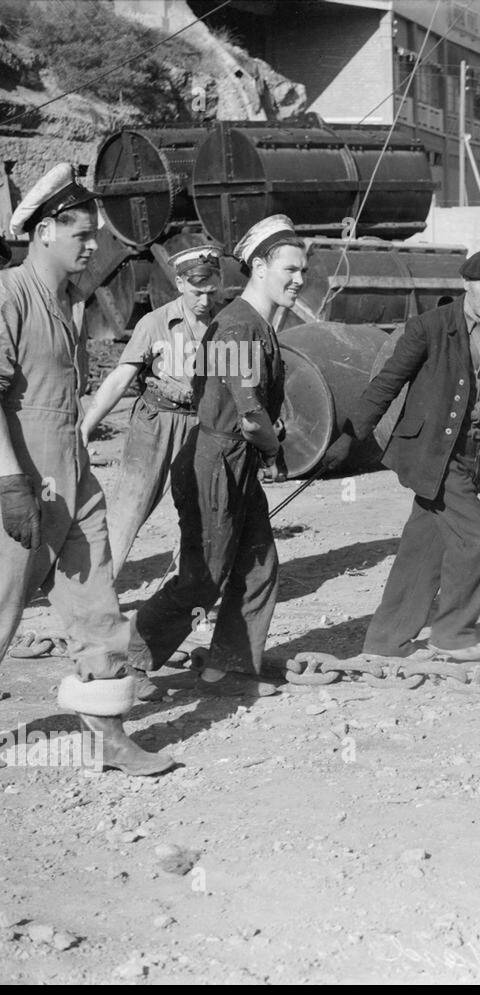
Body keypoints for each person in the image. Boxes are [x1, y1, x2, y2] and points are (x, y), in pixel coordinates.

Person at [0, 163, 171, 775]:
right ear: (45, 230)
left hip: (73, 471)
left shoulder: (68, 303)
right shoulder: (8, 295)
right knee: (3, 605)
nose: (94, 246)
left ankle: (108, 733)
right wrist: (11, 480)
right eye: (81, 235)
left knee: (97, 601)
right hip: (22, 479)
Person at [319, 249, 480, 661]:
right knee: (479, 540)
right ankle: (452, 634)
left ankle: (385, 641)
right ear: (465, 283)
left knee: (422, 550)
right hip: (432, 455)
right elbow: (387, 384)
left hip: (468, 452)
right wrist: (348, 439)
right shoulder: (431, 327)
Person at [130, 215, 297, 696]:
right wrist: (274, 447)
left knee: (258, 566)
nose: (299, 279)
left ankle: (228, 667)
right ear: (260, 268)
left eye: (303, 269)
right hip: (215, 462)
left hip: (233, 460)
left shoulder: (253, 324)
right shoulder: (236, 327)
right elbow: (249, 416)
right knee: (204, 577)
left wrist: (263, 441)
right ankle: (128, 660)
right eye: (290, 268)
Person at [81, 245, 223, 575]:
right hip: (155, 423)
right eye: (197, 292)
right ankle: (99, 591)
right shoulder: (155, 323)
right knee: (129, 508)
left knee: (201, 510)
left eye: (211, 292)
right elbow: (121, 378)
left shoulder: (223, 324)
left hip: (200, 426)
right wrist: (88, 424)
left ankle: (188, 592)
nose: (205, 301)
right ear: (180, 283)